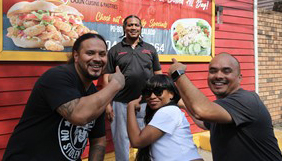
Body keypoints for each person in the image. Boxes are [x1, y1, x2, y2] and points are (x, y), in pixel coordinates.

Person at [3, 33, 125, 161]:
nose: (97, 59)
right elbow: (78, 115)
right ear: (76, 56)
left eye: (102, 54)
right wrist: (115, 84)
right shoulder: (57, 77)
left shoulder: (95, 94)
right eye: (90, 53)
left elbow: (98, 142)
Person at [168, 53, 282, 161]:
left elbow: (201, 111)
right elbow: (203, 123)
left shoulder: (247, 100)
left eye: (226, 71)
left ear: (239, 77)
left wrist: (178, 74)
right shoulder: (222, 107)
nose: (218, 76)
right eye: (213, 71)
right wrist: (183, 103)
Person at [103, 15, 162, 161]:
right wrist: (107, 104)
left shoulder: (150, 49)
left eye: (136, 25)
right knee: (121, 138)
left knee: (146, 136)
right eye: (130, 25)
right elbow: (106, 77)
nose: (133, 28)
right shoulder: (115, 50)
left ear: (141, 28)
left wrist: (159, 98)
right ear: (124, 28)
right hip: (120, 102)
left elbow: (158, 74)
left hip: (146, 102)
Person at [127, 74, 203, 161]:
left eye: (158, 91)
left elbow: (137, 141)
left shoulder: (168, 111)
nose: (152, 96)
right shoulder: (167, 112)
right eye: (148, 93)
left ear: (171, 94)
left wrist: (130, 107)